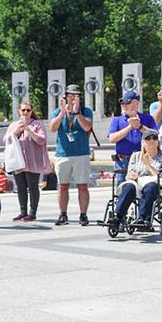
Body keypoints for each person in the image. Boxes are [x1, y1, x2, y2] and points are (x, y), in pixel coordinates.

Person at [111, 129, 162, 229]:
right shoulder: (135, 156)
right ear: (143, 142)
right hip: (138, 183)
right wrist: (132, 175)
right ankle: (117, 218)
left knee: (150, 187)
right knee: (128, 186)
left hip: (157, 184)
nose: (151, 140)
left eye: (154, 138)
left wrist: (148, 166)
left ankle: (143, 217)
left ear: (158, 142)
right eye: (148, 138)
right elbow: (129, 174)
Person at [49, 84, 93, 226]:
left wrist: (77, 114)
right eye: (71, 95)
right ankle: (63, 214)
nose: (74, 98)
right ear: (66, 97)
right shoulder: (57, 111)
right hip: (63, 153)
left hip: (81, 153)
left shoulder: (85, 111)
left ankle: (83, 215)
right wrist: (63, 113)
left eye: (77, 95)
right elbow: (53, 128)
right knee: (62, 186)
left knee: (82, 186)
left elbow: (87, 127)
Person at [5, 100, 50, 221]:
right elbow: (7, 140)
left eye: (28, 110)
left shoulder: (37, 124)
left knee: (33, 186)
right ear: (19, 111)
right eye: (23, 110)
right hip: (18, 162)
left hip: (33, 161)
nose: (25, 112)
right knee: (20, 187)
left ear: (31, 111)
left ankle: (32, 212)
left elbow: (41, 140)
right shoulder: (13, 125)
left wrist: (29, 130)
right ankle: (23, 211)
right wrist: (16, 131)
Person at [107, 91, 158, 188]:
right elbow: (112, 138)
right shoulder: (117, 120)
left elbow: (155, 135)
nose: (123, 106)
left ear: (136, 103)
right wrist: (130, 126)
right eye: (122, 103)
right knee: (121, 189)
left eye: (127, 103)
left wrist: (139, 127)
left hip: (143, 159)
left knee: (145, 188)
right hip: (123, 161)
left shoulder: (147, 118)